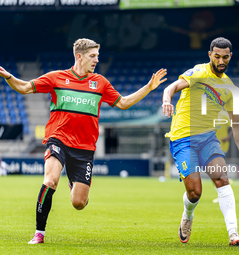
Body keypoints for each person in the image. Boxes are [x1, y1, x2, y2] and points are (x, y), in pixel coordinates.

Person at [0, 38, 167, 244]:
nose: (97, 60)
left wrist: (149, 88)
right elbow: (24, 87)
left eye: (97, 56)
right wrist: (7, 75)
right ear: (79, 56)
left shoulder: (101, 83)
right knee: (50, 180)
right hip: (58, 139)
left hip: (84, 148)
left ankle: (73, 183)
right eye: (92, 56)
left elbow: (123, 103)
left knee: (79, 203)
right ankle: (39, 233)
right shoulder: (56, 78)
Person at [162, 37, 239, 246]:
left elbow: (236, 124)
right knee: (195, 193)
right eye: (217, 56)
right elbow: (171, 88)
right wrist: (167, 101)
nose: (221, 60)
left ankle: (233, 234)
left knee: (222, 179)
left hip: (208, 138)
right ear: (210, 55)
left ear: (230, 57)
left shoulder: (229, 87)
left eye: (225, 57)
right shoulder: (199, 72)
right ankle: (188, 214)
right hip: (183, 138)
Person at [213, 111, 233, 203]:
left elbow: (235, 126)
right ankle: (225, 186)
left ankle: (222, 193)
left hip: (222, 146)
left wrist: (228, 137)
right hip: (211, 145)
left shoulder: (224, 115)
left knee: (216, 171)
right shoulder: (208, 113)